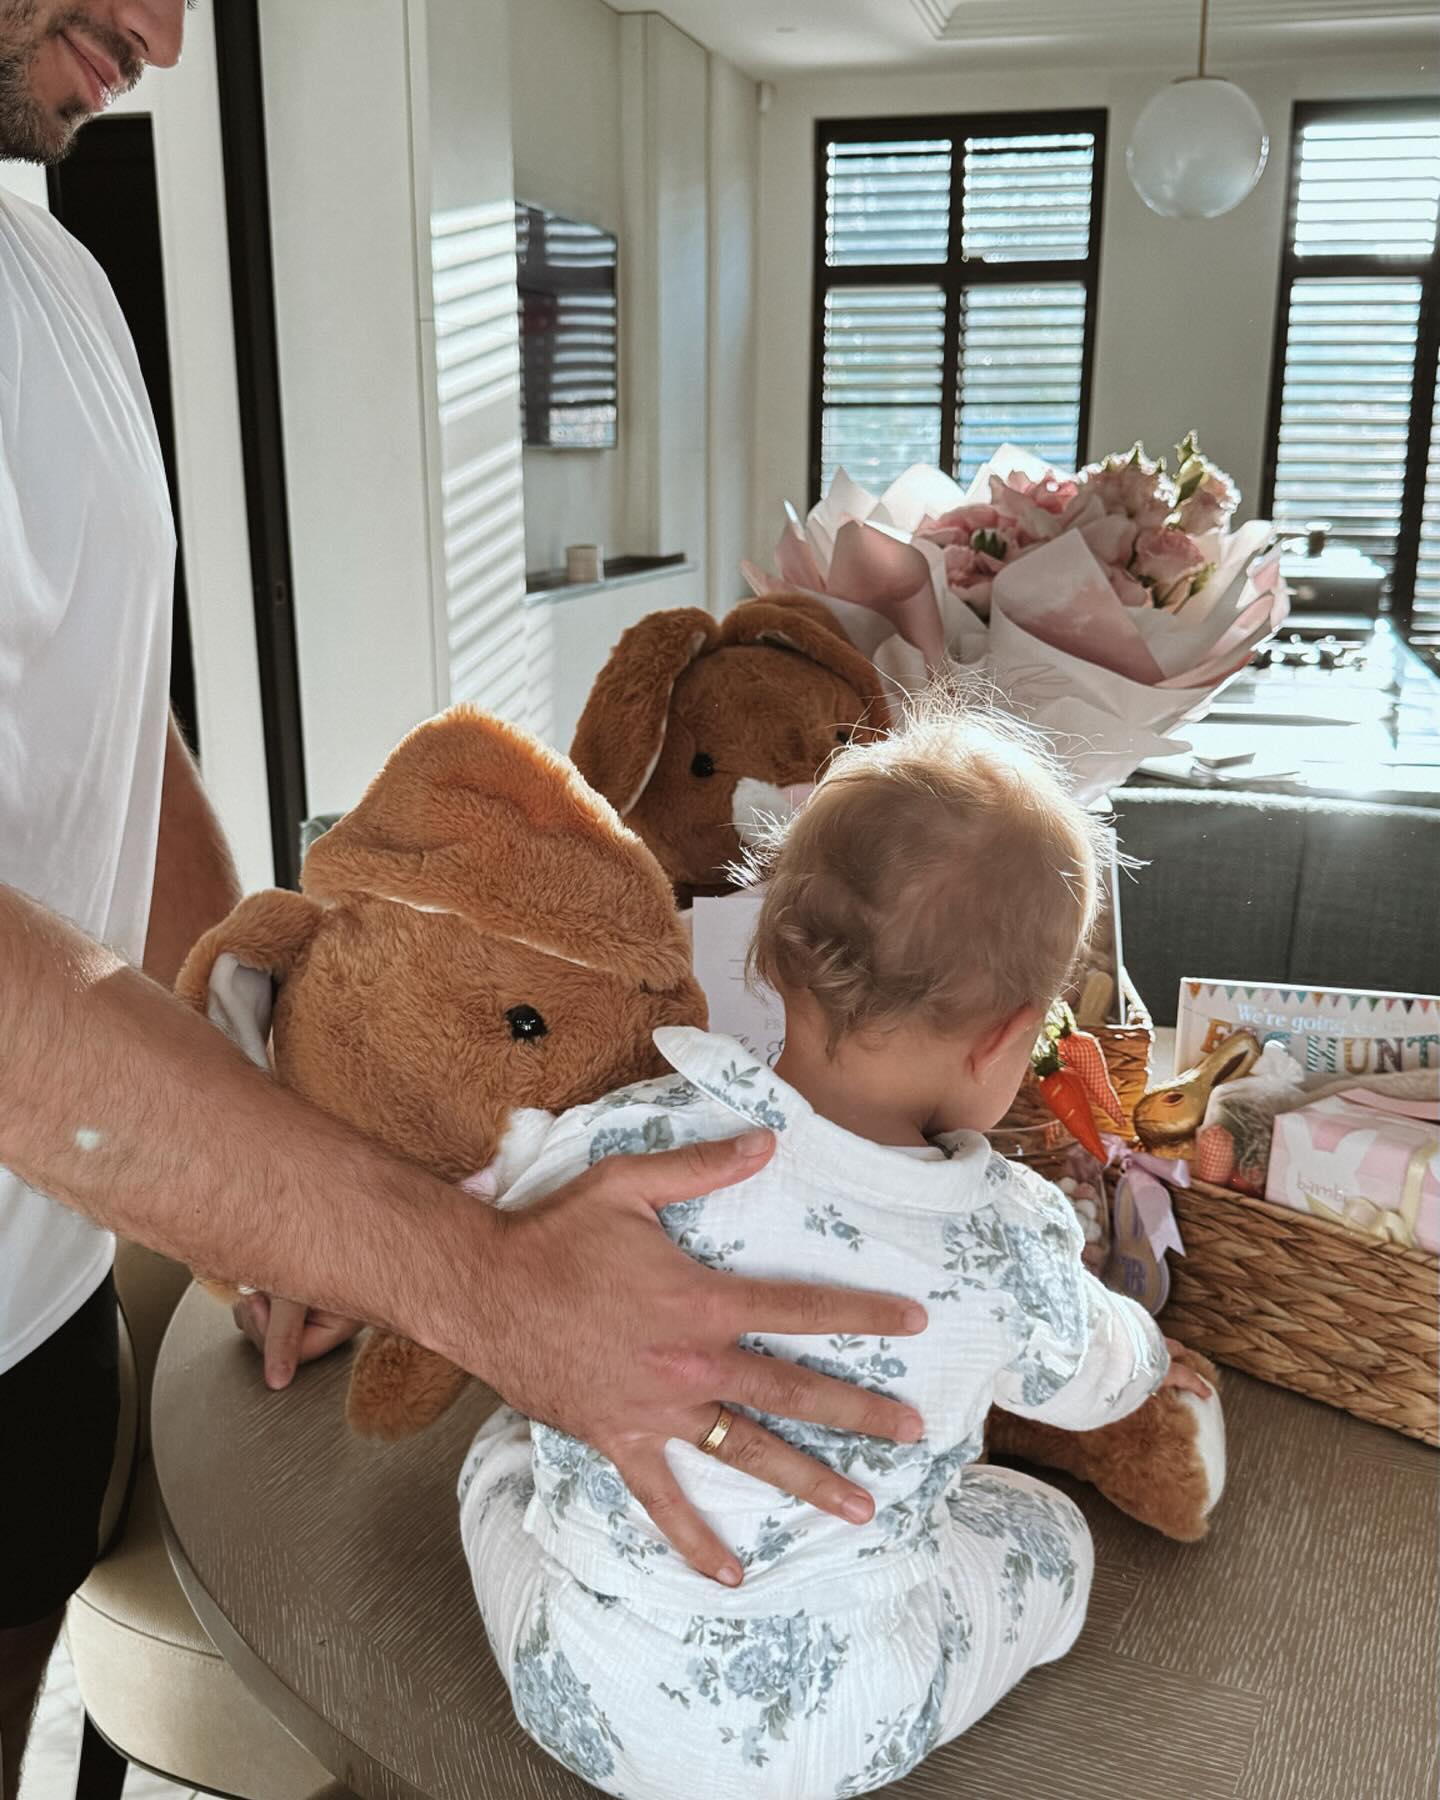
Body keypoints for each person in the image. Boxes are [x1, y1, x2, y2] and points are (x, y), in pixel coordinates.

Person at [0, 5, 925, 1792]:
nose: (168, 34)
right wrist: (475, 1282)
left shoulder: (60, 281)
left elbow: (111, 716)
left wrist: (260, 1129)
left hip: (34, 1311)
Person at [458, 701, 1218, 1799]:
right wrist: (1150, 1356)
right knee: (1051, 1537)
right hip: (834, 1725)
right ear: (1009, 1036)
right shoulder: (1003, 1245)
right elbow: (1094, 1387)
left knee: (497, 1457)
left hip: (578, 1687)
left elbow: (504, 1232)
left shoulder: (616, 1141)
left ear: (773, 948)